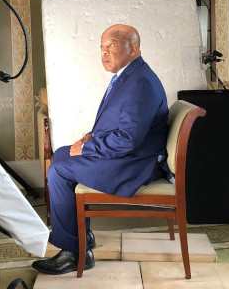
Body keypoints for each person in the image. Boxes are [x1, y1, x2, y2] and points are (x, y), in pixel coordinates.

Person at [32, 24, 169, 275]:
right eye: (102, 48)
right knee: (62, 153)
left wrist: (87, 149)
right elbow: (118, 122)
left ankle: (74, 253)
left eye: (112, 46)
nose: (104, 53)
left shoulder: (141, 82)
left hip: (135, 164)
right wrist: (88, 138)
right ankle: (82, 235)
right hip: (130, 156)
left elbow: (128, 139)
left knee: (60, 171)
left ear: (133, 49)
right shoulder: (129, 75)